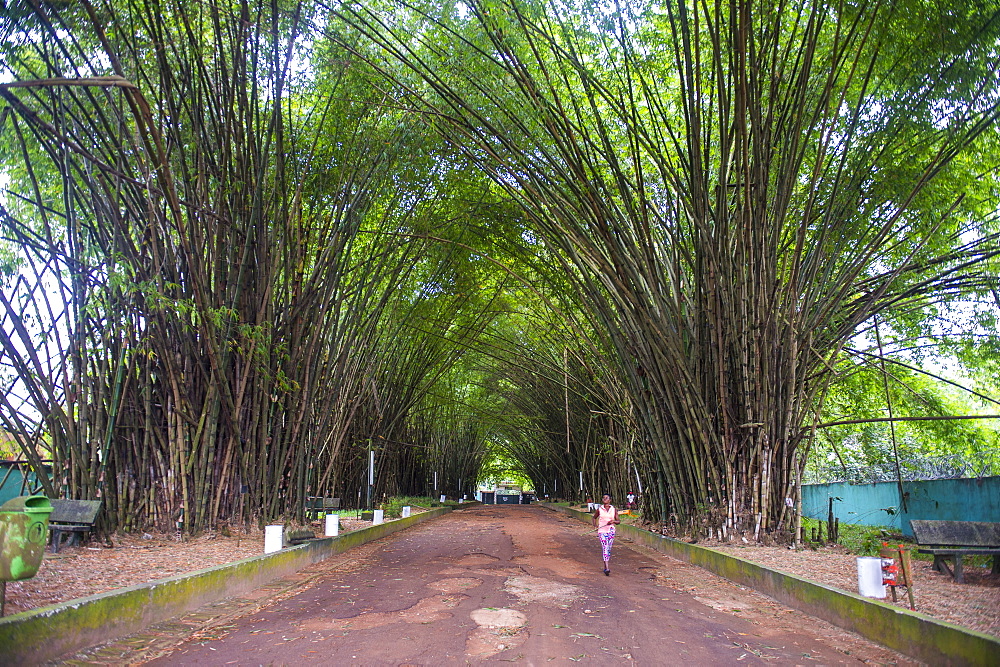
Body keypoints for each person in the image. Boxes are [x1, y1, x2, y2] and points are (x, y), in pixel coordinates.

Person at [592, 494, 620, 575]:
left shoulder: (614, 509)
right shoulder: (600, 509)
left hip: (611, 530)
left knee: (609, 548)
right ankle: (607, 568)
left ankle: (605, 566)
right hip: (602, 531)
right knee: (605, 547)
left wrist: (613, 521)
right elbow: (594, 517)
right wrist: (595, 525)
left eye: (606, 498)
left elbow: (618, 521)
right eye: (603, 498)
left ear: (610, 500)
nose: (604, 499)